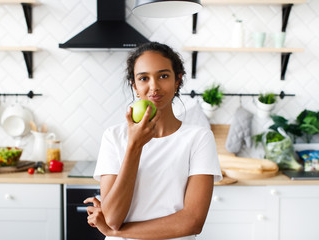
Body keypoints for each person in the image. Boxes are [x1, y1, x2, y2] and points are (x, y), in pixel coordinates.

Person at [84, 42, 222, 240]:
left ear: (178, 80)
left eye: (163, 76)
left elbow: (192, 221)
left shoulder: (198, 138)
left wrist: (114, 232)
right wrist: (134, 145)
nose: (154, 86)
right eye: (143, 78)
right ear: (135, 85)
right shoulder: (114, 136)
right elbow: (113, 217)